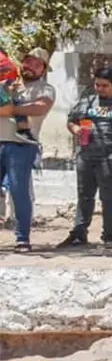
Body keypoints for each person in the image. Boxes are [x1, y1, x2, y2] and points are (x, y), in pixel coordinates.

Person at [58, 67, 112, 249]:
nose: (100, 89)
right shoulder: (87, 102)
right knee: (84, 196)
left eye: (105, 86)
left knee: (109, 197)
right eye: (97, 85)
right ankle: (79, 234)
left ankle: (109, 236)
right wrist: (76, 130)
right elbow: (71, 120)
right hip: (86, 156)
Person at [0, 48, 56, 252]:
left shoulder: (45, 89)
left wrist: (10, 110)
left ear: (43, 69)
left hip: (22, 145)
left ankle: (22, 238)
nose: (31, 66)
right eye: (29, 61)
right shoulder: (6, 84)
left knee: (18, 190)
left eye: (37, 64)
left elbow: (40, 107)